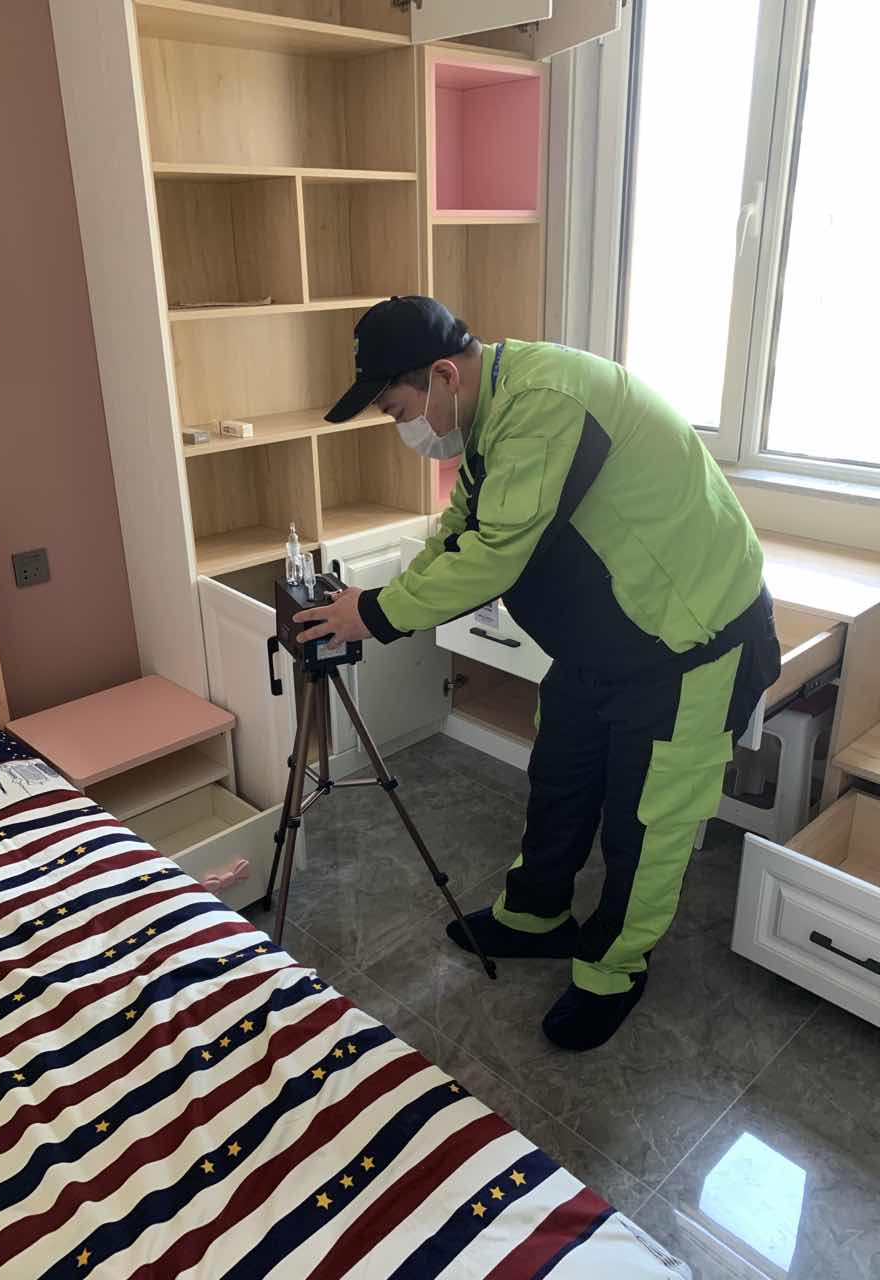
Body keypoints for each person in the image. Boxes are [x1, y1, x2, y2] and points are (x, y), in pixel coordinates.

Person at [295, 296, 781, 1051]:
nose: (403, 428)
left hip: (690, 643)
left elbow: (495, 555)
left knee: (646, 823)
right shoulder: (491, 417)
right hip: (604, 643)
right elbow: (461, 532)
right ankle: (535, 915)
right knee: (560, 778)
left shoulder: (546, 403)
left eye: (397, 410)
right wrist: (375, 599)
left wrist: (378, 614)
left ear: (444, 375)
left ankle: (613, 969)